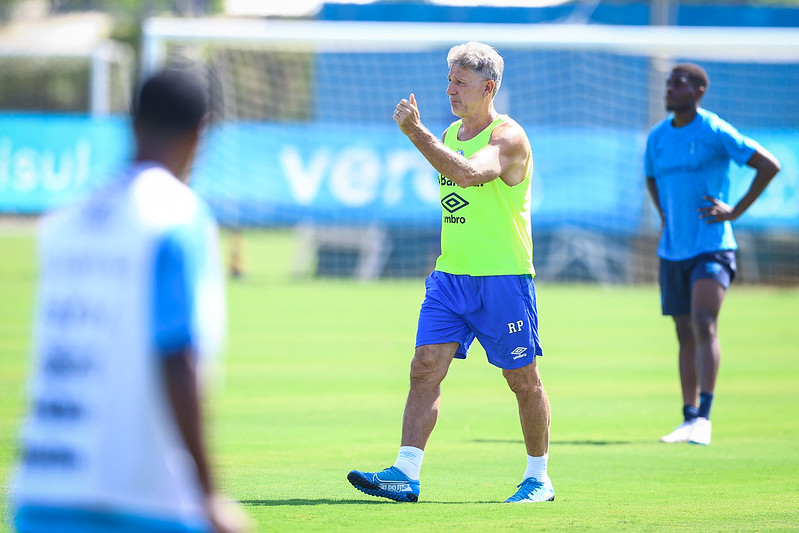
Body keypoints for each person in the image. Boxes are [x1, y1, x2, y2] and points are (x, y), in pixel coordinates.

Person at [11, 67, 248, 532]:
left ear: (132, 122)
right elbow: (176, 358)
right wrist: (208, 496)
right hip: (138, 498)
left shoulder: (65, 220)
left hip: (42, 490)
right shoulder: (175, 218)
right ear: (200, 134)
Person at [347, 41, 554, 504]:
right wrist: (427, 135)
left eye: (460, 82)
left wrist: (417, 134)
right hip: (451, 279)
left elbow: (468, 176)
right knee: (424, 368)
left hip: (503, 280)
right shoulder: (449, 131)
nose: (450, 90)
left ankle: (539, 477)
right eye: (449, 80)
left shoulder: (508, 137)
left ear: (489, 86)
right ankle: (405, 471)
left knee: (522, 378)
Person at [645, 63, 780, 446]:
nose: (671, 89)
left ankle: (705, 417)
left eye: (680, 84)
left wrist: (735, 211)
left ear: (699, 91)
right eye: (669, 84)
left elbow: (769, 165)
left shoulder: (714, 130)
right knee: (683, 331)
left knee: (705, 322)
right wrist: (665, 215)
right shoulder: (657, 137)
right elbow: (651, 177)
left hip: (713, 246)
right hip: (672, 250)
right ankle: (687, 419)